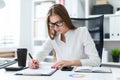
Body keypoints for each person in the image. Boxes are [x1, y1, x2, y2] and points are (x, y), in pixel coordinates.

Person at [28, 4, 100, 69]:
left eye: (59, 23)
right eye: (52, 24)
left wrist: (71, 62)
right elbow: (41, 52)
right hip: (62, 75)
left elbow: (96, 62)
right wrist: (33, 61)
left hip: (81, 75)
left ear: (66, 19)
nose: (56, 28)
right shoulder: (54, 36)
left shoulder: (82, 32)